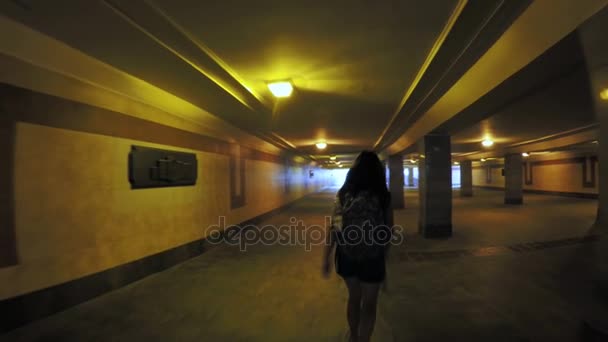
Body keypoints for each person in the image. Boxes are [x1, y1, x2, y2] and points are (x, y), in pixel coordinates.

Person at [322, 151, 394, 342]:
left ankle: (353, 336)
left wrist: (326, 259)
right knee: (369, 304)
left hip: (347, 255)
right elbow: (388, 231)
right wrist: (383, 256)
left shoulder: (343, 194)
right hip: (373, 257)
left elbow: (334, 227)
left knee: (354, 298)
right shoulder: (383, 195)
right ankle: (364, 339)